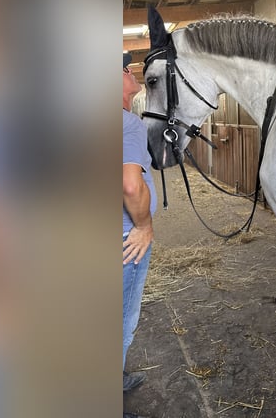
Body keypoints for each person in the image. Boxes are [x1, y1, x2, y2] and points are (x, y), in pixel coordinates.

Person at [122, 52, 156, 418]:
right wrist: (144, 226)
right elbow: (131, 186)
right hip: (126, 242)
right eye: (123, 69)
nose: (130, 71)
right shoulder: (128, 124)